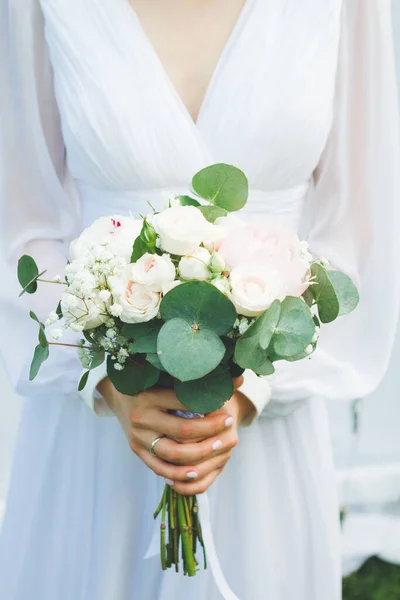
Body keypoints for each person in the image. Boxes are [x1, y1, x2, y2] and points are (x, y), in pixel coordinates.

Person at [0, 1, 399, 599]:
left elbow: (362, 226)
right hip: (95, 427)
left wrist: (246, 391)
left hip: (265, 425)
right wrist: (109, 383)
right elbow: (18, 219)